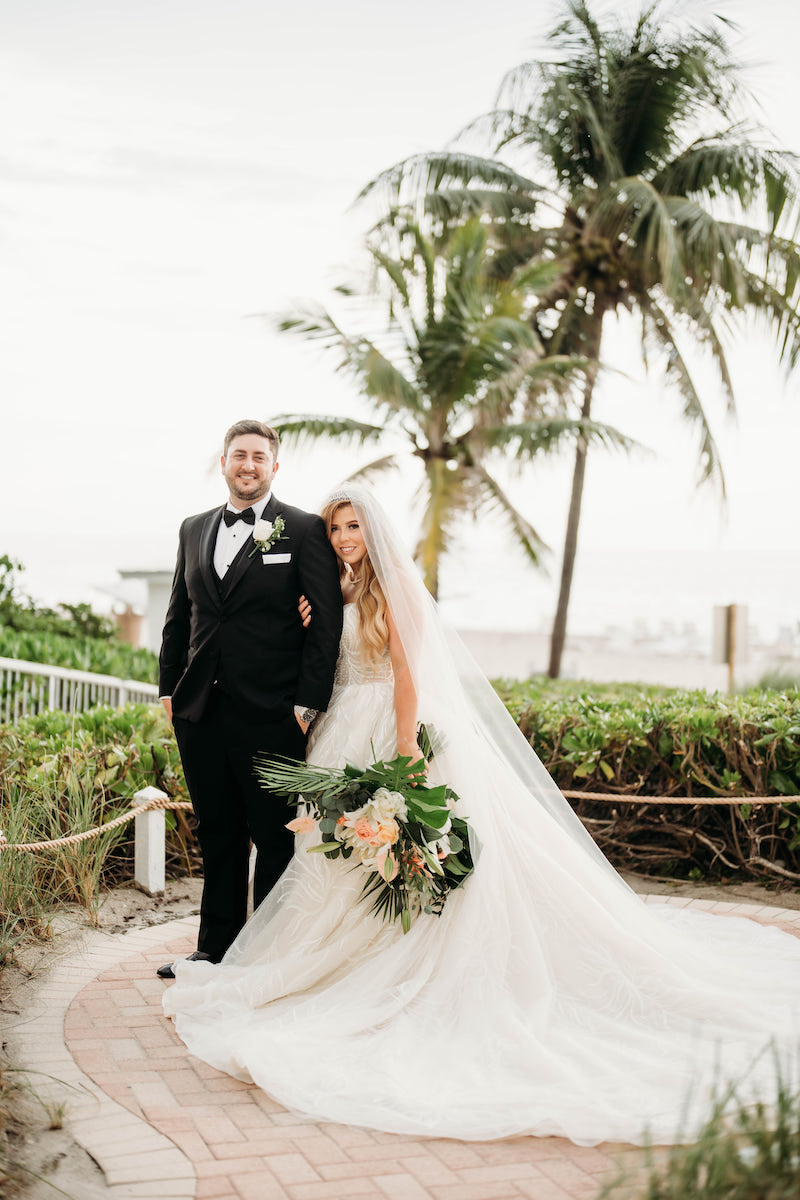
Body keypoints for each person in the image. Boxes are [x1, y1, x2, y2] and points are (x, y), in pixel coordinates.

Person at [162, 484, 800, 1147]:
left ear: (374, 531)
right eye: (335, 528)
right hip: (338, 729)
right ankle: (345, 961)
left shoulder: (396, 590)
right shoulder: (339, 589)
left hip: (389, 728)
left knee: (403, 857)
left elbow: (408, 672)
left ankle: (390, 965)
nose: (345, 538)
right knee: (344, 862)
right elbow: (322, 655)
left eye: (354, 527)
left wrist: (405, 751)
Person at [156, 420, 343, 978]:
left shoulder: (304, 529)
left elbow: (326, 624)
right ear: (224, 462)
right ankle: (213, 950)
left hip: (273, 712)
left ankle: (265, 953)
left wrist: (307, 704)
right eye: (240, 455)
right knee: (217, 831)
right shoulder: (193, 529)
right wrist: (169, 690)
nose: (249, 465)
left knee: (273, 837)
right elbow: (178, 616)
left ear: (274, 468)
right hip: (200, 712)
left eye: (260, 457)